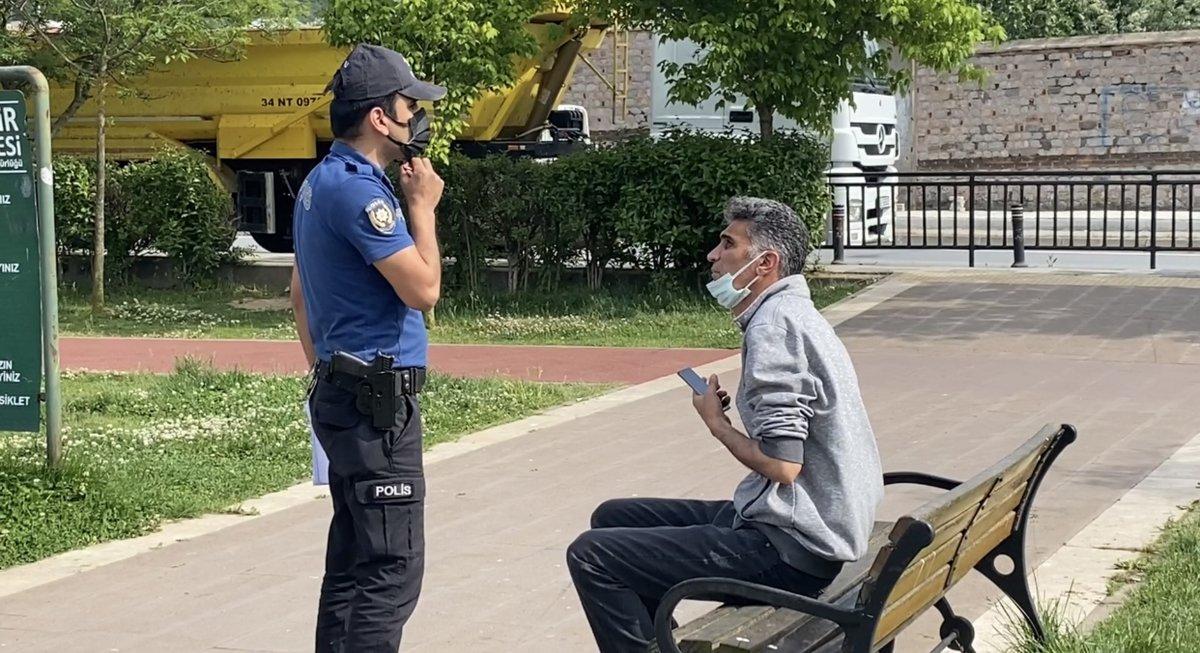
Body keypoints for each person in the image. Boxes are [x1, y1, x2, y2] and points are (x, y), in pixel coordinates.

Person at [566, 196, 883, 652]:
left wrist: (718, 425)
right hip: (808, 525)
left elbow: (783, 465)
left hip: (793, 551)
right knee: (613, 517)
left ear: (764, 264)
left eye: (728, 244)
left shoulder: (774, 327)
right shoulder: (797, 314)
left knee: (592, 555)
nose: (713, 255)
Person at [289, 43, 445, 653]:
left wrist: (331, 372)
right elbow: (424, 290)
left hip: (348, 395)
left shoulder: (321, 182)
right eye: (409, 106)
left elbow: (299, 296)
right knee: (391, 569)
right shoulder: (362, 195)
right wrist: (421, 208)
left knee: (355, 562)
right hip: (376, 409)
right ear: (380, 118)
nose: (416, 118)